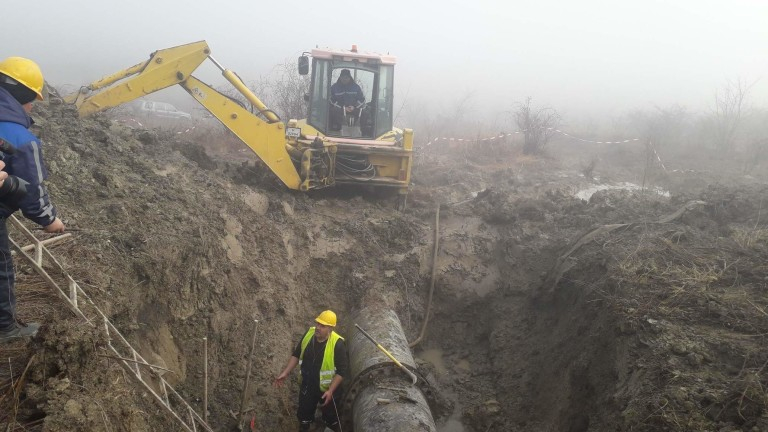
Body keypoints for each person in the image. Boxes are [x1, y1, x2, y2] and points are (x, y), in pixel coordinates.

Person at [0, 56, 65, 343]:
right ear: (23, 96)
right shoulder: (21, 138)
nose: (31, 107)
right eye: (32, 101)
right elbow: (33, 190)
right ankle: (6, 329)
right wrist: (50, 220)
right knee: (2, 269)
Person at [274, 310, 349, 432]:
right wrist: (285, 372)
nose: (318, 328)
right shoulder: (308, 335)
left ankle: (328, 425)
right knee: (304, 417)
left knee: (331, 419)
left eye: (322, 326)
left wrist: (330, 391)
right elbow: (296, 354)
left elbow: (341, 371)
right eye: (318, 324)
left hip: (328, 389)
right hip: (308, 385)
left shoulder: (338, 344)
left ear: (330, 329)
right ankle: (305, 426)